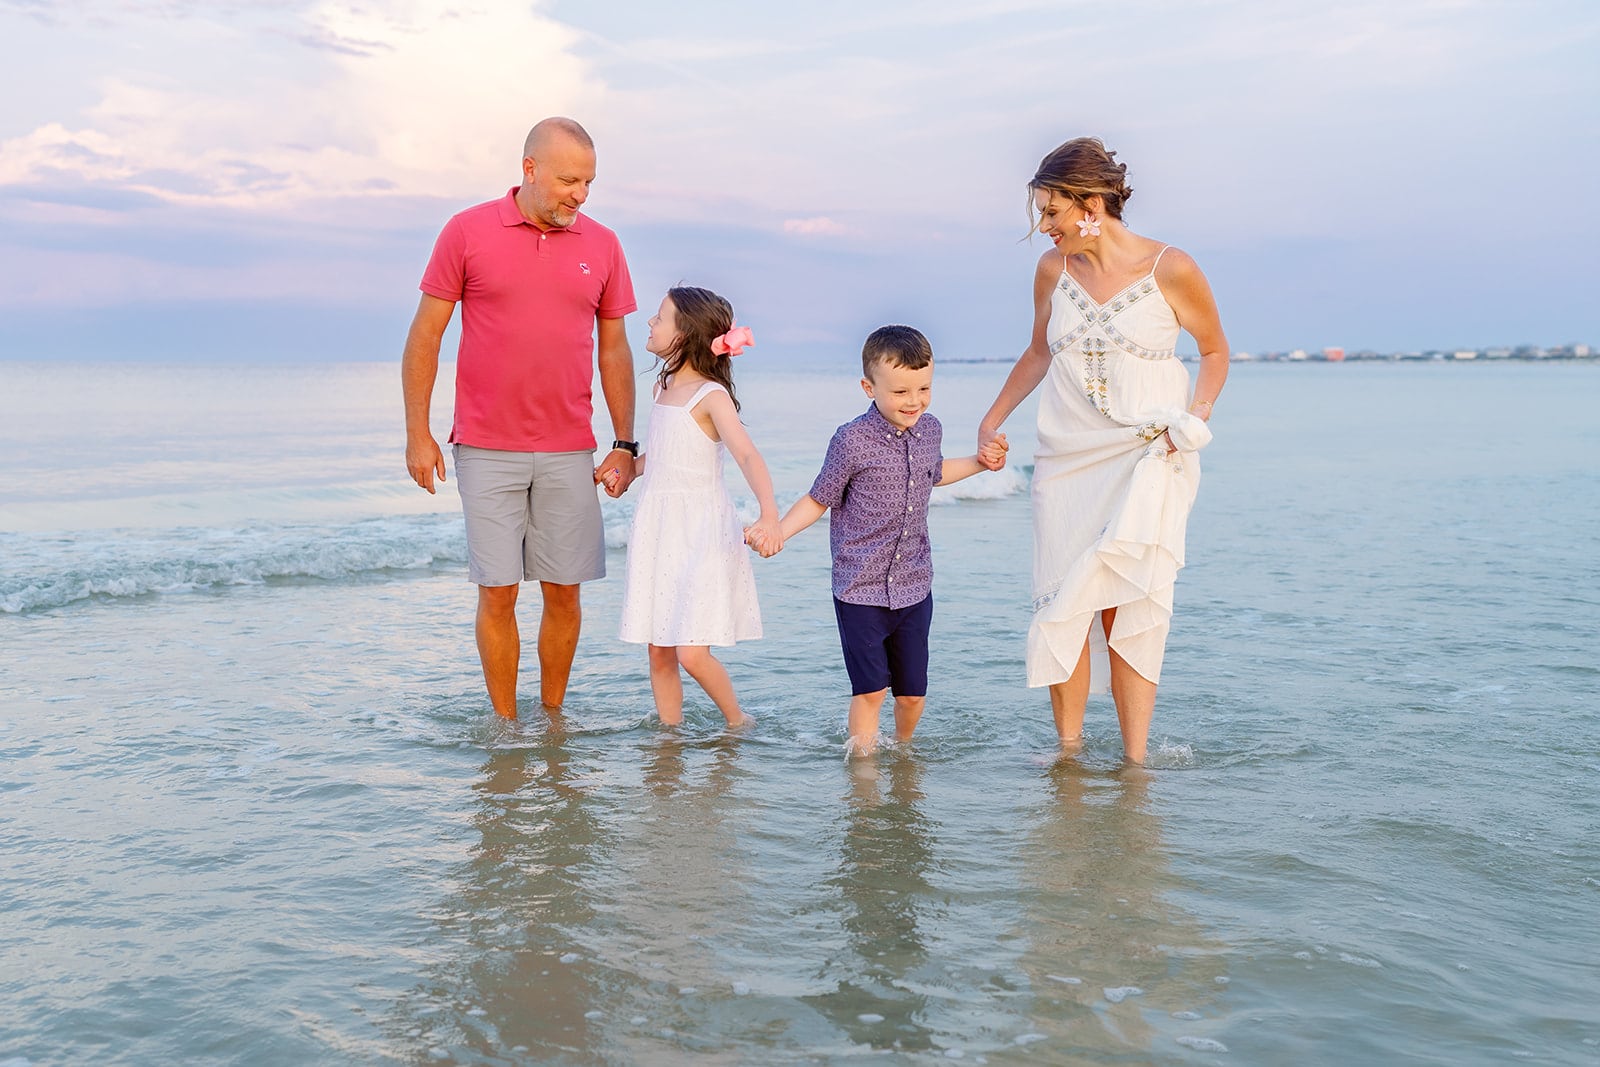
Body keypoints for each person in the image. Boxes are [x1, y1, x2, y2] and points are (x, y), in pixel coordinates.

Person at [977, 137, 1229, 765]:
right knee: (1064, 602)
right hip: (1065, 461)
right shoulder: (1051, 272)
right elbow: (1040, 351)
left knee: (1128, 608)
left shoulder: (1171, 268)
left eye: (1053, 212)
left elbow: (1216, 351)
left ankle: (1134, 764)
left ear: (1090, 204)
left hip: (1148, 456)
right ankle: (1068, 757)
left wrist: (1192, 420)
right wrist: (992, 418)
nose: (1045, 227)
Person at [401, 117, 639, 721]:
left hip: (569, 449)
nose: (579, 195)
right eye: (567, 180)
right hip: (484, 446)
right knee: (498, 590)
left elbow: (614, 349)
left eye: (588, 183)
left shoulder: (604, 245)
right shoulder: (466, 230)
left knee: (564, 592)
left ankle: (552, 718)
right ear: (529, 169)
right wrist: (417, 433)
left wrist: (625, 443)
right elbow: (426, 337)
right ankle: (506, 727)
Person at [763, 325, 1007, 755]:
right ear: (868, 387)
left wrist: (980, 463)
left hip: (915, 584)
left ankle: (903, 753)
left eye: (924, 388)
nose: (914, 401)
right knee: (871, 691)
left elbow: (936, 474)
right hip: (860, 589)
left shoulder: (930, 429)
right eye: (900, 392)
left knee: (912, 695)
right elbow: (819, 498)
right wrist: (779, 531)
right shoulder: (850, 440)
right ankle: (864, 772)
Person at [616, 286, 782, 728]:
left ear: (685, 333)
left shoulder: (710, 395)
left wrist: (769, 515)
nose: (650, 323)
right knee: (659, 646)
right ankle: (670, 736)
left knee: (691, 650)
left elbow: (747, 455)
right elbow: (667, 452)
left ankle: (736, 720)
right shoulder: (661, 387)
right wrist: (632, 470)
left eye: (659, 317)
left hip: (701, 532)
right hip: (659, 528)